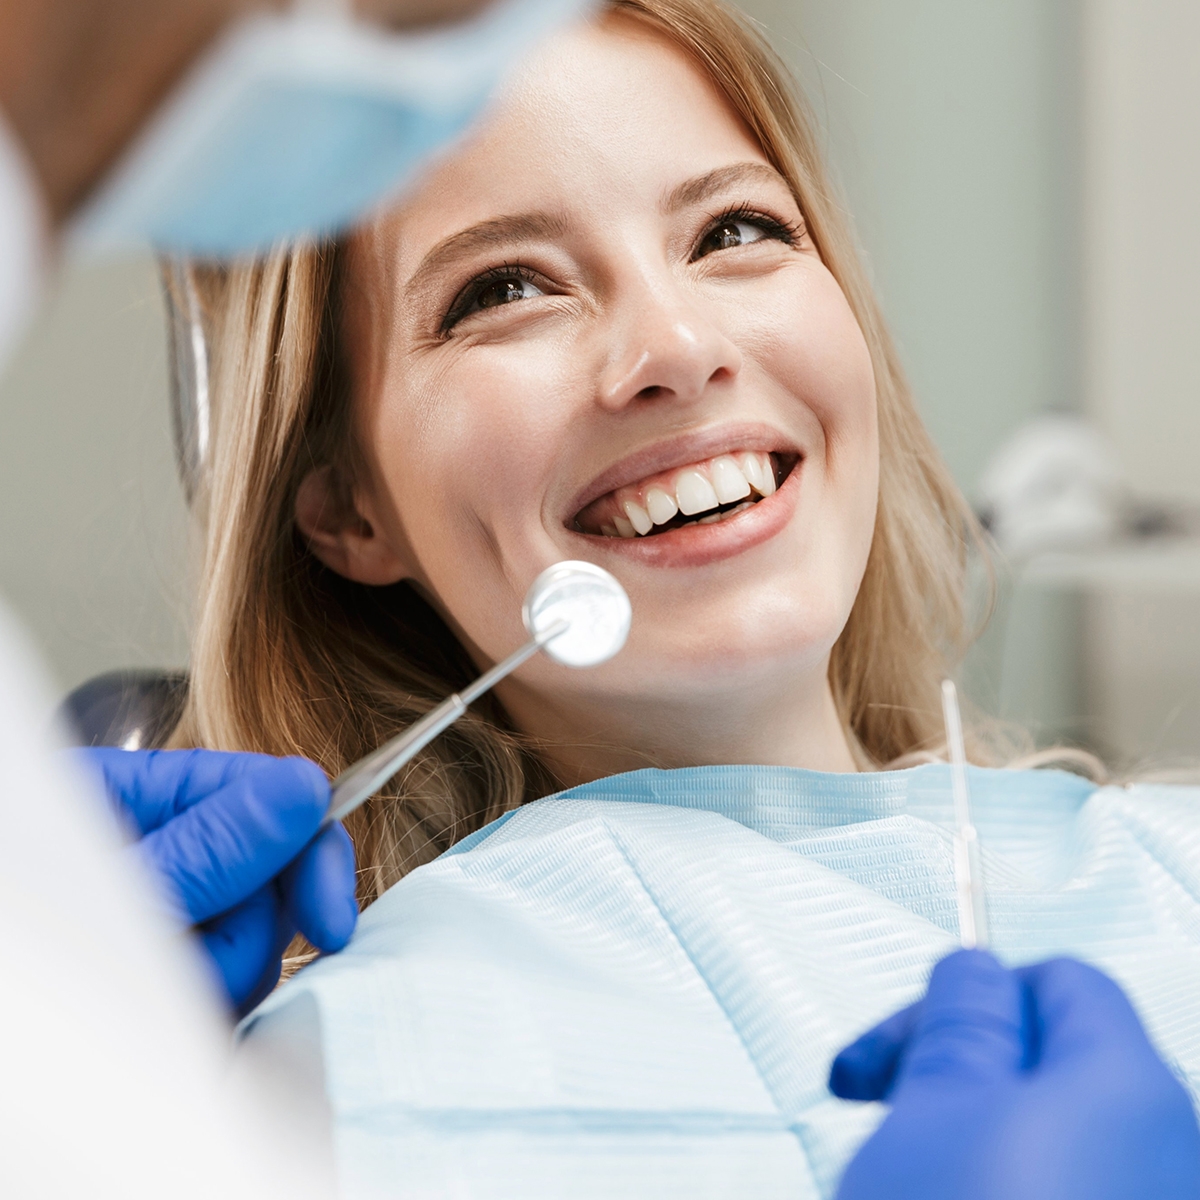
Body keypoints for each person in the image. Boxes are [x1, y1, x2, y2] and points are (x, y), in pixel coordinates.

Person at [162, 0, 1200, 1194]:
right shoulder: (318, 1084)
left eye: (736, 229)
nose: (676, 343)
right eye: (504, 288)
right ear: (350, 513)